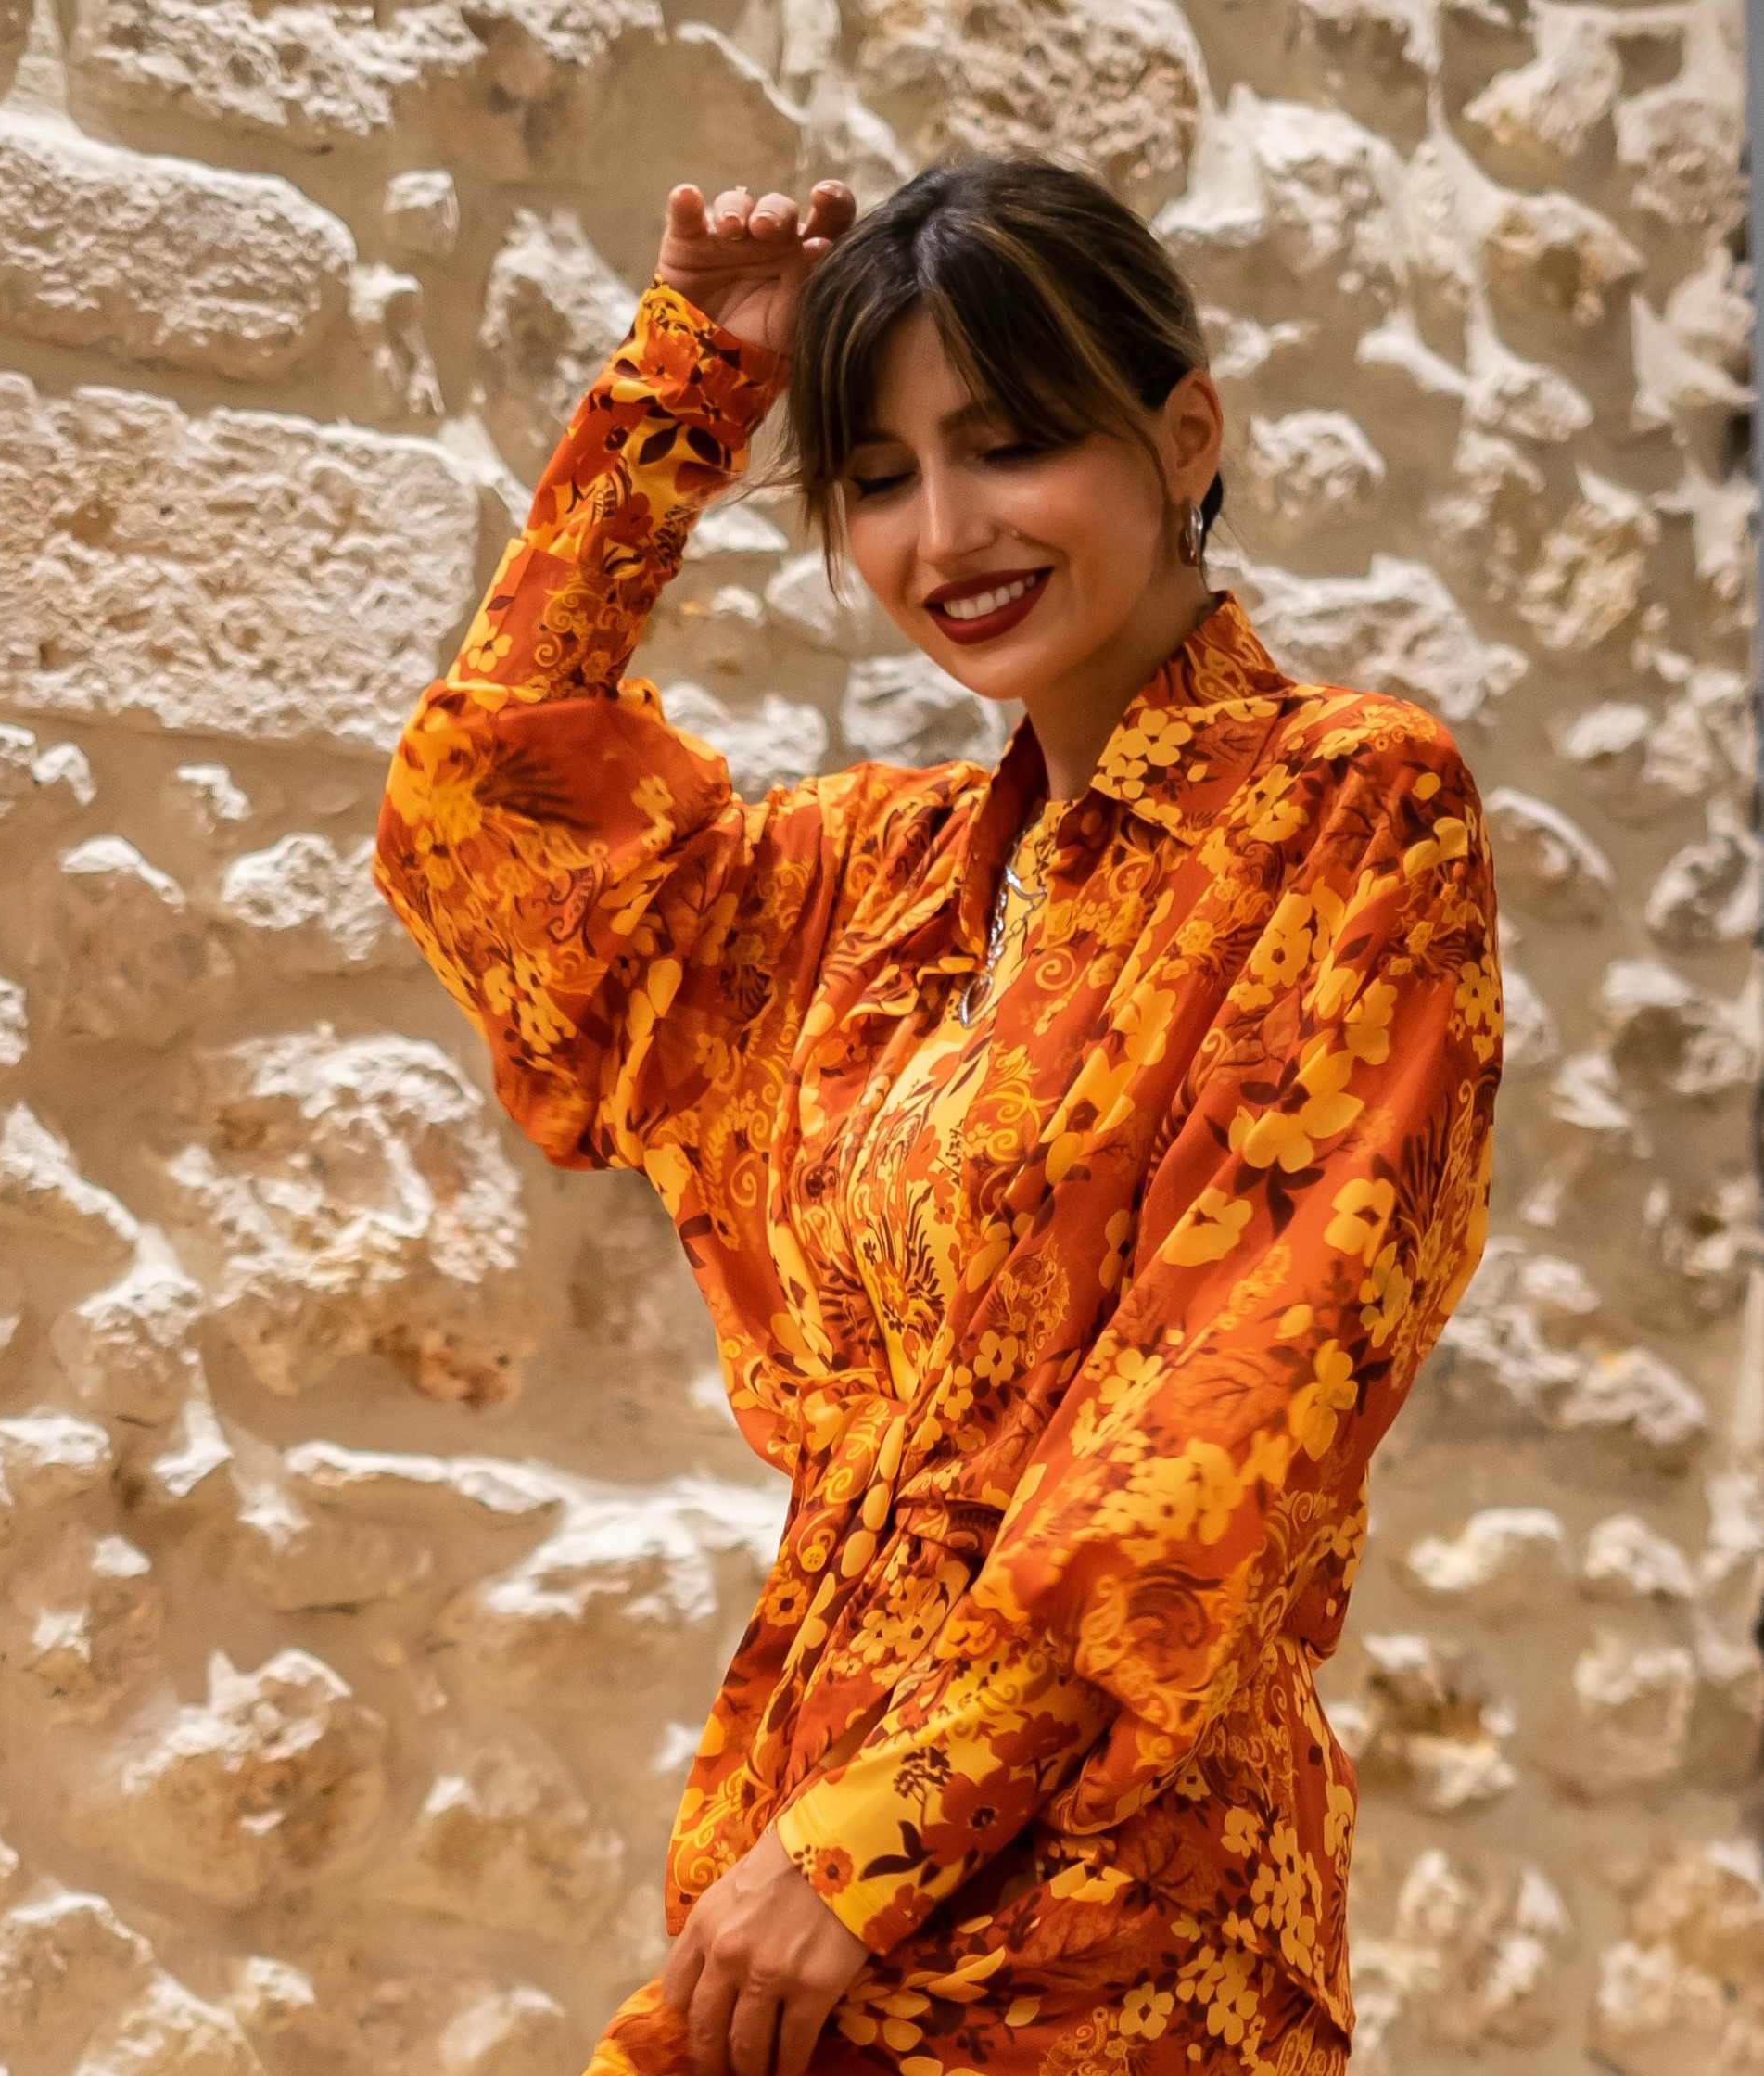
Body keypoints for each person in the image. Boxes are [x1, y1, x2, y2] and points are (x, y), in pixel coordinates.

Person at [374, 155, 1501, 2076]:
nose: (945, 532)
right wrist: (690, 383)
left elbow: (1230, 1399)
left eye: (1010, 444)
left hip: (1103, 1906)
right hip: (790, 1862)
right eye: (879, 476)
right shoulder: (860, 883)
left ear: (1182, 435)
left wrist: (872, 1840)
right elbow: (480, 817)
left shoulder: (1346, 807)